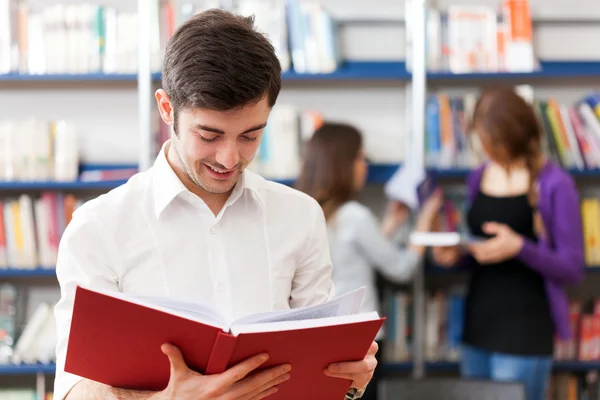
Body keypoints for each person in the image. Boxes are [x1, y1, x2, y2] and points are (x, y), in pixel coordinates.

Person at [53, 10, 377, 400]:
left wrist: (348, 381)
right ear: (167, 108)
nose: (229, 158)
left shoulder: (300, 217)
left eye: (250, 136)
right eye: (209, 135)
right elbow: (72, 391)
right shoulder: (99, 227)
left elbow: (321, 370)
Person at [432, 87, 585, 400]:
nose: (486, 149)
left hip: (525, 330)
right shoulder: (478, 177)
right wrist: (458, 254)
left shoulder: (555, 184)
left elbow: (572, 268)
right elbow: (482, 249)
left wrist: (520, 247)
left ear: (515, 136)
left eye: (493, 141)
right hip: (478, 325)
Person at [295, 122, 442, 400]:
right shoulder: (355, 216)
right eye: (361, 158)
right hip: (362, 340)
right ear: (343, 164)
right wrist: (423, 224)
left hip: (319, 336)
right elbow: (401, 269)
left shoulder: (304, 211)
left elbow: (347, 256)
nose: (364, 166)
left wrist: (387, 226)